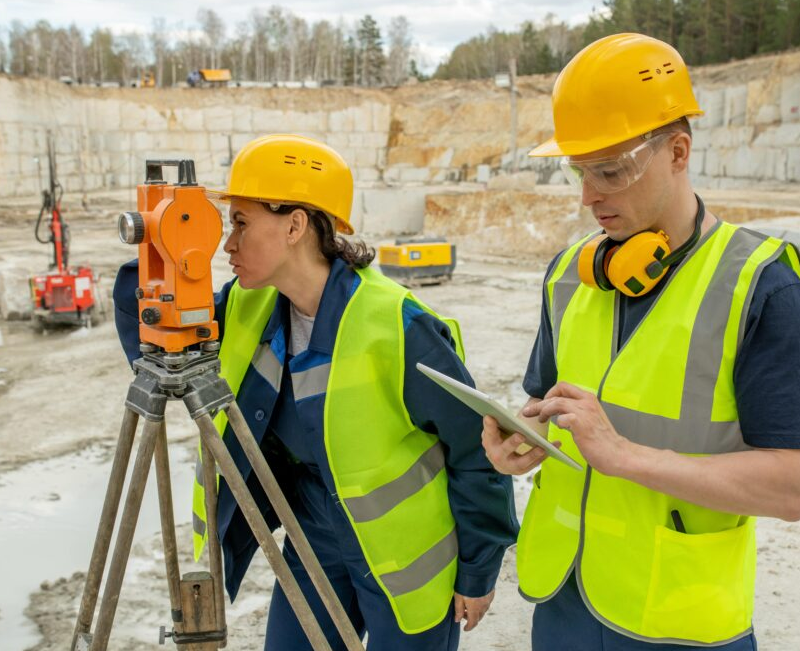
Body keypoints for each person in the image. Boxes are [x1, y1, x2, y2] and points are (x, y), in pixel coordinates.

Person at [113, 134, 518, 650]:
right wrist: (158, 242)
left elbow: (478, 448)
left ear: (295, 226)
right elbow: (151, 324)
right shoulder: (248, 305)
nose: (226, 244)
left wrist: (478, 572)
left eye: (240, 223)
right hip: (314, 539)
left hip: (402, 559)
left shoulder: (397, 325)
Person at [481, 33, 800, 650]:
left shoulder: (760, 284)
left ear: (678, 151)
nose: (588, 196)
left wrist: (625, 456)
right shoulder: (569, 275)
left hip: (680, 620)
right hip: (564, 602)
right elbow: (547, 407)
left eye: (609, 171)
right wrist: (522, 439)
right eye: (578, 171)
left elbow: (792, 487)